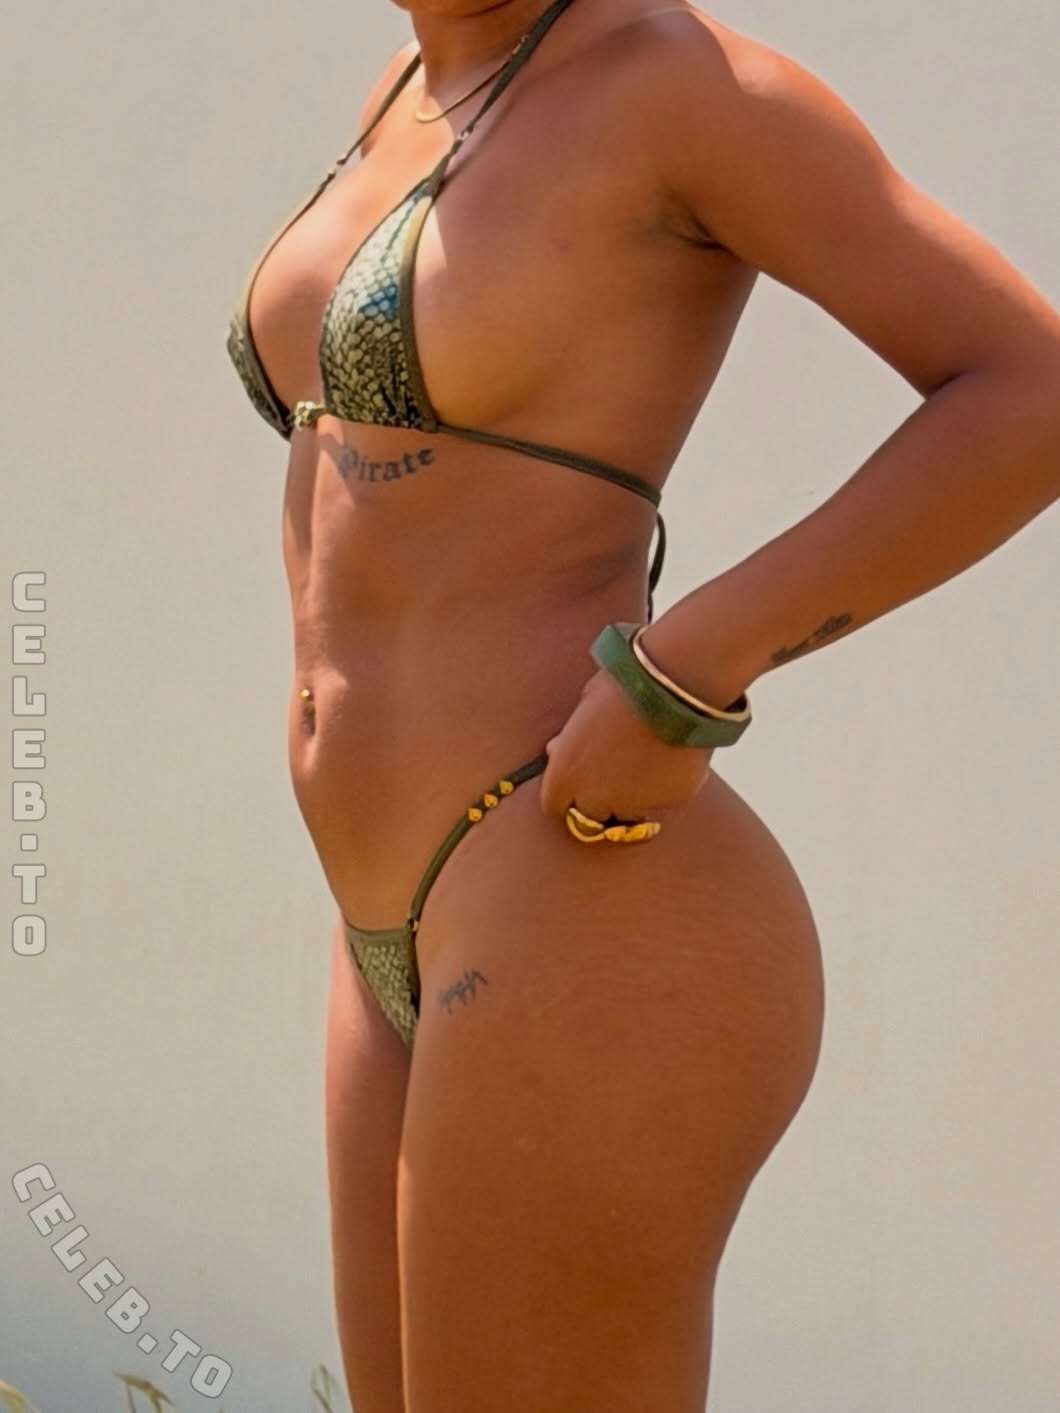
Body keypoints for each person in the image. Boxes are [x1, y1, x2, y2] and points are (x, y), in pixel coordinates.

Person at [224, 0, 1060, 1407]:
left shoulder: (682, 89)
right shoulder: (410, 88)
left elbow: (1030, 387)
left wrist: (692, 670)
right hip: (381, 916)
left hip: (574, 888)